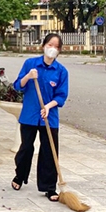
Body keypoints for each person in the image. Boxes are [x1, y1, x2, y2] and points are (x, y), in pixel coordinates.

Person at [11, 33, 69, 202]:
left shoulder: (61, 71)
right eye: (50, 45)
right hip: (29, 115)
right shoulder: (30, 64)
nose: (53, 49)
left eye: (56, 47)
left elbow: (61, 96)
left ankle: (49, 187)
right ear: (44, 45)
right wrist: (28, 76)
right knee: (26, 148)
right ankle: (19, 176)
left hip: (49, 117)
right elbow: (18, 86)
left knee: (49, 151)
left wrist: (49, 107)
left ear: (59, 51)